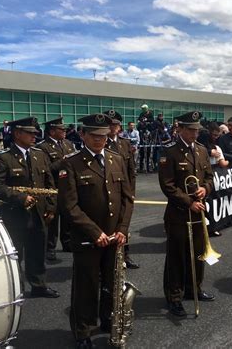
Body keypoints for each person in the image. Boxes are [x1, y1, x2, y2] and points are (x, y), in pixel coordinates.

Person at [58, 114, 133, 348]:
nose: (100, 140)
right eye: (95, 135)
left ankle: (108, 320)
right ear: (83, 135)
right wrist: (94, 232)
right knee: (86, 288)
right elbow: (69, 206)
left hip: (114, 237)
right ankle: (83, 331)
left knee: (111, 284)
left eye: (104, 135)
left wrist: (122, 229)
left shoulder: (116, 159)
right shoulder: (71, 163)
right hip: (88, 239)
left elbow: (127, 199)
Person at [0, 117, 58, 298]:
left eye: (35, 133)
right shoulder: (3, 157)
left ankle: (39, 285)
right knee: (16, 252)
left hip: (38, 212)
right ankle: (16, 288)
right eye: (30, 133)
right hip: (16, 214)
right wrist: (20, 197)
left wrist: (51, 206)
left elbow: (49, 183)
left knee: (37, 249)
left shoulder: (39, 155)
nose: (34, 136)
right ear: (17, 134)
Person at [158, 111, 215, 317]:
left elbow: (209, 176)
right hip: (178, 214)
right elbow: (168, 186)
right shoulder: (170, 152)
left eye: (196, 130)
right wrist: (189, 202)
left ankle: (194, 289)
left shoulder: (201, 150)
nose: (194, 134)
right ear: (179, 129)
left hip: (198, 212)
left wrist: (205, 189)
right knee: (177, 257)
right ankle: (174, 296)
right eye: (190, 130)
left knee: (198, 253)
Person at [37, 117, 76, 260]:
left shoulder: (68, 144)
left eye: (64, 129)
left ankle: (67, 242)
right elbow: (47, 169)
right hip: (53, 187)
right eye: (61, 129)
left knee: (67, 217)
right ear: (52, 131)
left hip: (68, 187)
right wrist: (64, 161)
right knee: (52, 219)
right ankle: (50, 247)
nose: (64, 131)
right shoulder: (43, 147)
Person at [105, 110, 139, 269]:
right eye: (111, 124)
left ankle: (125, 255)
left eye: (116, 124)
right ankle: (109, 260)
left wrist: (131, 192)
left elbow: (131, 170)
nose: (113, 127)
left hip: (124, 191)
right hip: (107, 191)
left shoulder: (124, 143)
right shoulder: (101, 142)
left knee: (124, 225)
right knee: (108, 226)